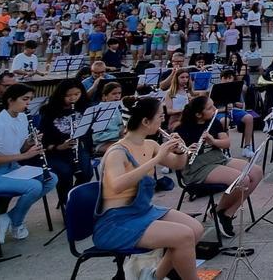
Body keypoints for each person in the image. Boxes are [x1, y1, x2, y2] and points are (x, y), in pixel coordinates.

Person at [95, 97, 203, 280]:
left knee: (196, 229)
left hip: (142, 211)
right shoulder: (116, 152)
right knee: (184, 236)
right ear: (145, 121)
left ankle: (154, 275)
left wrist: (180, 152)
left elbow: (177, 165)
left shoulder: (150, 144)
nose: (163, 121)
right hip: (117, 222)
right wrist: (157, 158)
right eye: (160, 117)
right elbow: (117, 185)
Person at [0, 83, 59, 242]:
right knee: (33, 187)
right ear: (10, 100)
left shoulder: (21, 118)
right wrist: (25, 156)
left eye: (30, 99)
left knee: (51, 179)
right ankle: (17, 222)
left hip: (12, 168)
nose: (28, 103)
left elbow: (19, 148)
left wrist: (29, 143)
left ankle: (8, 218)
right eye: (25, 99)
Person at [176, 96, 264, 238]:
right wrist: (186, 150)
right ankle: (221, 212)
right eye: (210, 108)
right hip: (198, 168)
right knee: (242, 180)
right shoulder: (183, 129)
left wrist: (213, 141)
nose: (215, 110)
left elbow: (226, 143)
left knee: (257, 172)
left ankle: (224, 212)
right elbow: (177, 157)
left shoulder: (213, 121)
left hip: (218, 159)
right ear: (198, 114)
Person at [39, 78, 93, 206]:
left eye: (77, 94)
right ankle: (67, 203)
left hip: (76, 148)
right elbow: (44, 140)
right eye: (68, 95)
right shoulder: (49, 111)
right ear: (60, 95)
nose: (73, 98)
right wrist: (59, 147)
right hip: (55, 151)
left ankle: (74, 198)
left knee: (86, 173)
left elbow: (88, 131)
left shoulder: (84, 107)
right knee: (65, 173)